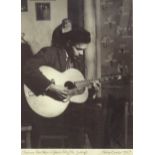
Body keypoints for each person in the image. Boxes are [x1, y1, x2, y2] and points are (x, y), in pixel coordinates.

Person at [24, 28, 102, 148]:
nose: (81, 53)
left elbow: (76, 93)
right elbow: (27, 68)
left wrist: (92, 91)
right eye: (78, 49)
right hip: (47, 111)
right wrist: (50, 87)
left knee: (96, 112)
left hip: (67, 110)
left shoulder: (78, 62)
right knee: (90, 116)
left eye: (83, 50)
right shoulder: (51, 53)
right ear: (69, 43)